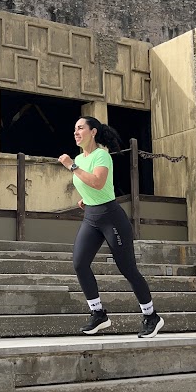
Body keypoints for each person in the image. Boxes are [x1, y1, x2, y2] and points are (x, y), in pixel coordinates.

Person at [58, 116, 164, 338]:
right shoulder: (79, 157)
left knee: (127, 268)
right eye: (74, 129)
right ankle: (98, 314)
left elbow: (98, 181)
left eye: (80, 128)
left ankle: (151, 316)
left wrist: (71, 166)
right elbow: (93, 187)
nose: (76, 132)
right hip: (91, 216)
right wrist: (86, 199)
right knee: (79, 263)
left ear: (93, 132)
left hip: (111, 217)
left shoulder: (101, 156)